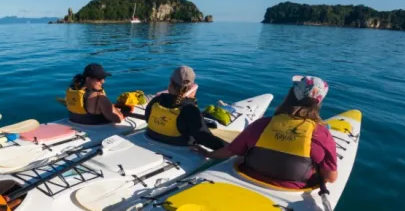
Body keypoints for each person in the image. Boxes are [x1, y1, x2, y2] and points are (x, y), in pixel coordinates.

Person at [198, 75, 338, 189]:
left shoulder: (262, 124)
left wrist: (208, 154)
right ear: (318, 103)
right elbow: (330, 178)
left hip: (247, 178)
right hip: (289, 193)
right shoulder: (321, 134)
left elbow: (229, 151)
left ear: (291, 95)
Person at [143, 66, 225, 150]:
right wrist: (226, 147)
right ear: (192, 87)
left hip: (150, 136)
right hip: (179, 146)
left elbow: (147, 118)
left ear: (171, 82)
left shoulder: (157, 100)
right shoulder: (190, 109)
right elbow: (203, 137)